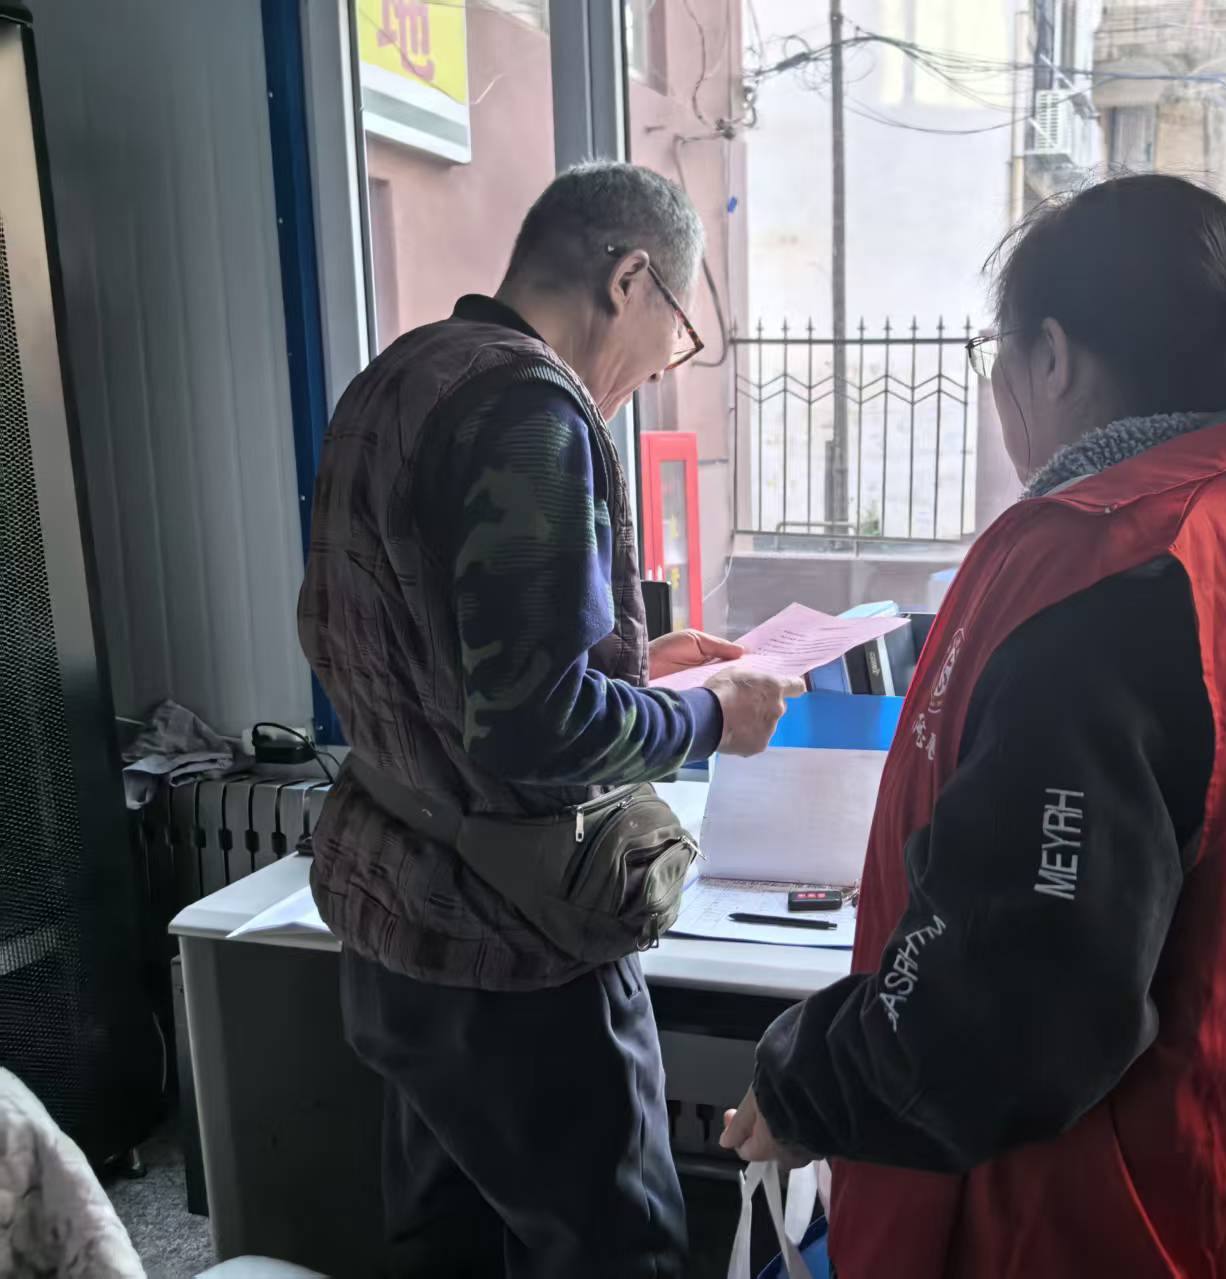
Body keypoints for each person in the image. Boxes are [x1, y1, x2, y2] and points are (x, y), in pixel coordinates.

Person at [721, 174, 1226, 1278]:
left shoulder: (1115, 575)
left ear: (1049, 355)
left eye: (996, 354)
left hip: (1065, 1206)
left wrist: (806, 1081)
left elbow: (1014, 1000)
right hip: (1221, 1136)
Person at [298, 163, 800, 1277]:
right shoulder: (532, 409)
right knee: (618, 1254)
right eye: (676, 333)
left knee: (446, 1245)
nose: (660, 369)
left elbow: (427, 652)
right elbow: (535, 730)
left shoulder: (399, 376)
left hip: (392, 921)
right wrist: (708, 717)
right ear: (629, 281)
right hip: (512, 956)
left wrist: (639, 669)